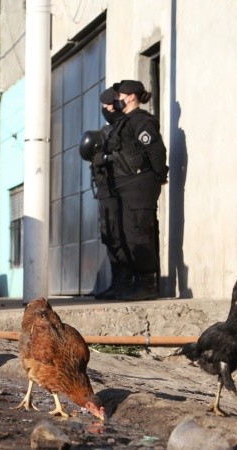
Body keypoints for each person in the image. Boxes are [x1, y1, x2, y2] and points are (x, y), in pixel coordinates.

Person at [106, 80, 169, 300]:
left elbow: (155, 149)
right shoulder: (125, 121)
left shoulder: (140, 121)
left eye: (121, 95)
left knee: (138, 235)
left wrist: (160, 175)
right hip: (127, 185)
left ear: (131, 96)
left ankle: (147, 283)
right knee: (129, 235)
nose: (117, 99)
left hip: (139, 184)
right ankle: (137, 281)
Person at [78, 87, 132, 299]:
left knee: (119, 237)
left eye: (109, 104)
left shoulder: (125, 128)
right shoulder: (108, 130)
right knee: (109, 237)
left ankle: (125, 282)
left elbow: (128, 156)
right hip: (105, 190)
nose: (106, 109)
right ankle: (117, 282)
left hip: (118, 190)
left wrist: (108, 158)